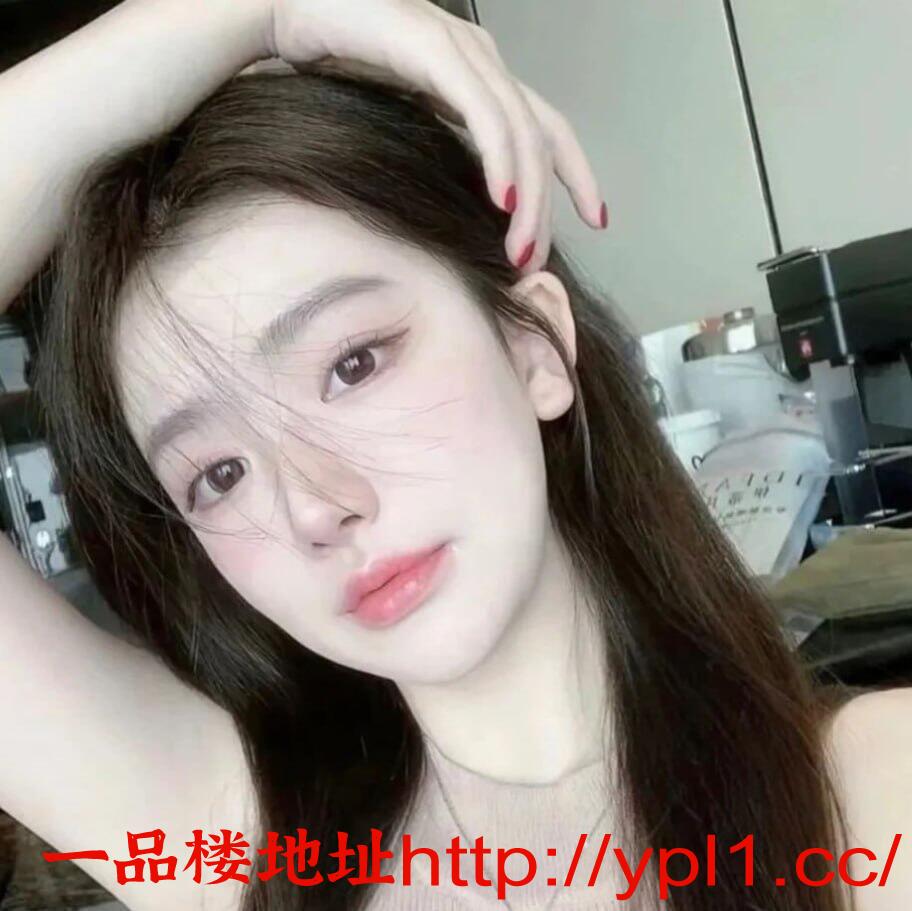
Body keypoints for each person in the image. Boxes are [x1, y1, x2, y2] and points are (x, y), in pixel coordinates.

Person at [0, 1, 910, 910]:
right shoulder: (229, 848)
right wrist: (252, 13)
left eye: (353, 364)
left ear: (534, 348)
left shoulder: (876, 799)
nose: (316, 505)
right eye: (219, 473)